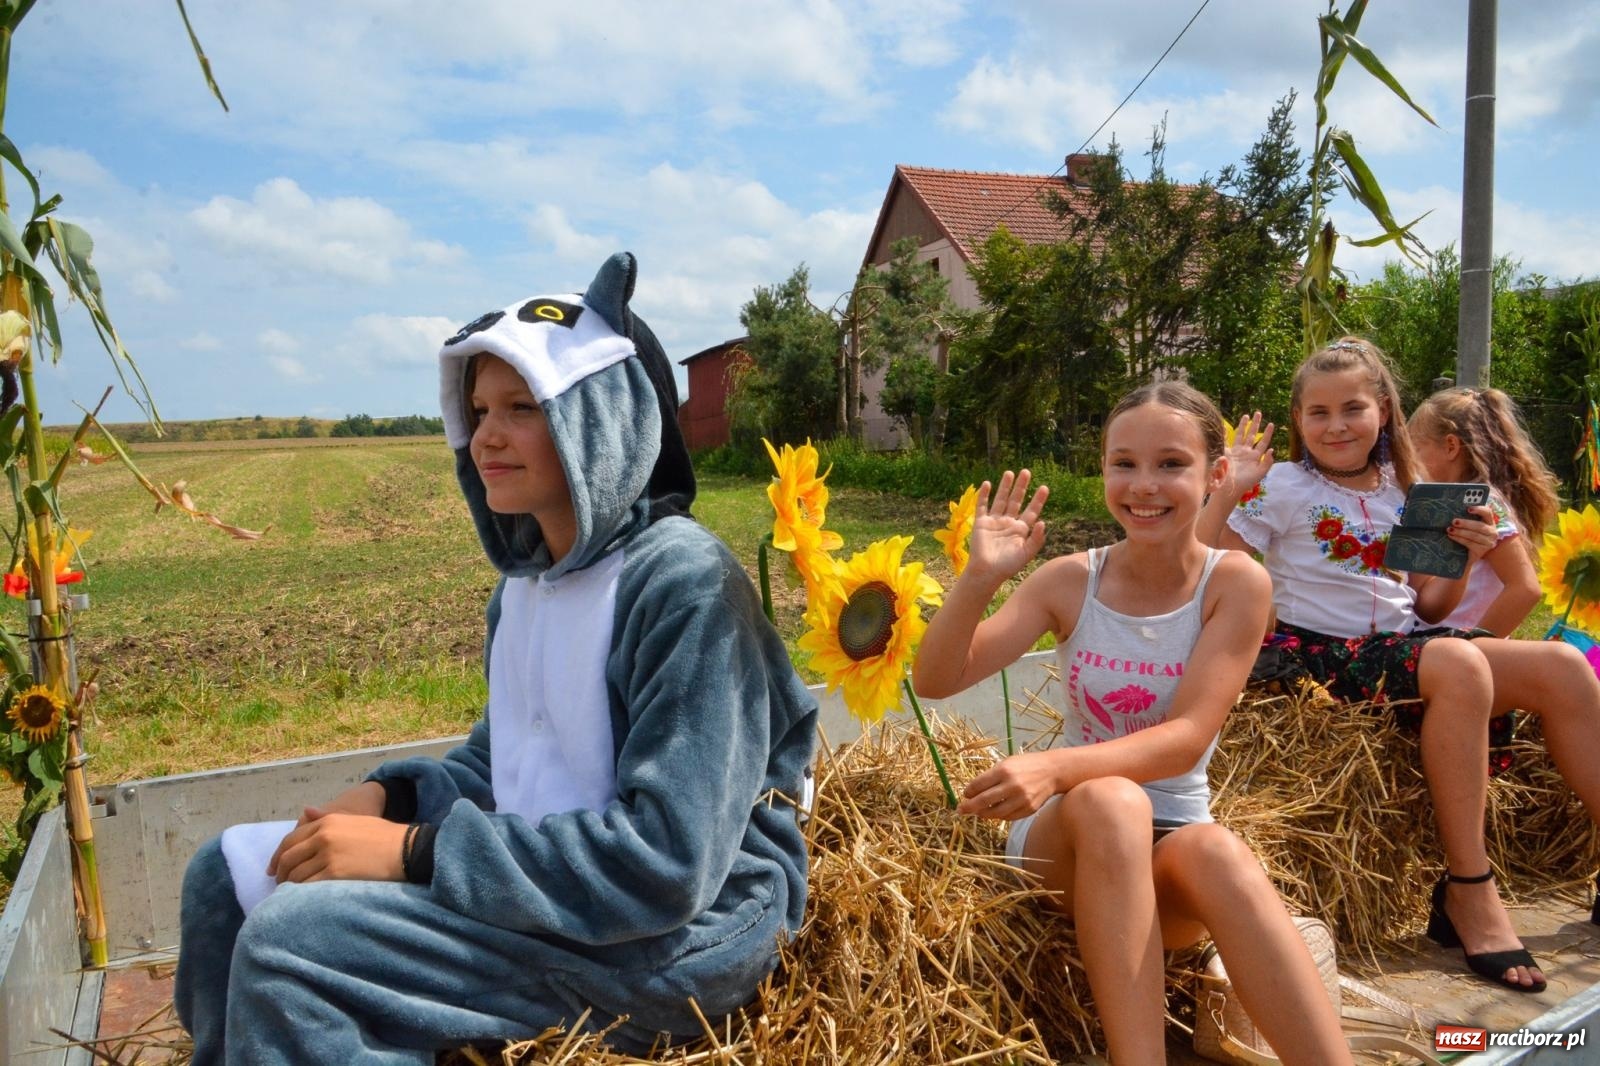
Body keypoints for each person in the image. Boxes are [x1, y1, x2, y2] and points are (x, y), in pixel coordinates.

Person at [172, 253, 819, 1064]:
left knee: (292, 946)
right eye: (478, 409)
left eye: (522, 407)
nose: (486, 436)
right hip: (563, 892)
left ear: (600, 421)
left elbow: (669, 863)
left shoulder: (683, 587)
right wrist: (393, 796)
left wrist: (416, 854)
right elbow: (512, 761)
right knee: (220, 881)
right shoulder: (529, 582)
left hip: (683, 940)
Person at [914, 382, 1353, 1066]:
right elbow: (936, 680)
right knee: (1111, 799)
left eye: (1171, 464)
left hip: (1169, 834)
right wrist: (979, 578)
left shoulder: (1236, 583)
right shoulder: (1068, 581)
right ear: (1104, 471)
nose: (1144, 485)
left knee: (1220, 852)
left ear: (1214, 475)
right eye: (1124, 463)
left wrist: (1053, 764)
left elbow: (1188, 737)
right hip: (1068, 838)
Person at [1202, 336, 1600, 994]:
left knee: (1561, 664)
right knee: (1460, 666)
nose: (1336, 425)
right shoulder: (1283, 485)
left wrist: (1466, 558)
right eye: (1318, 413)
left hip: (1399, 647)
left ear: (1384, 410)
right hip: (1318, 657)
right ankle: (1469, 890)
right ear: (1298, 421)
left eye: (1352, 408)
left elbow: (1429, 602)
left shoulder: (1418, 490)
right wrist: (1228, 491)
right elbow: (1205, 563)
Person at [1407, 385, 1560, 636]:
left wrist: (1476, 645)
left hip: (1454, 648)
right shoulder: (1451, 501)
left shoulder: (1482, 504)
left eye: (1416, 449)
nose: (1412, 461)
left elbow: (1525, 588)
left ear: (1450, 446)